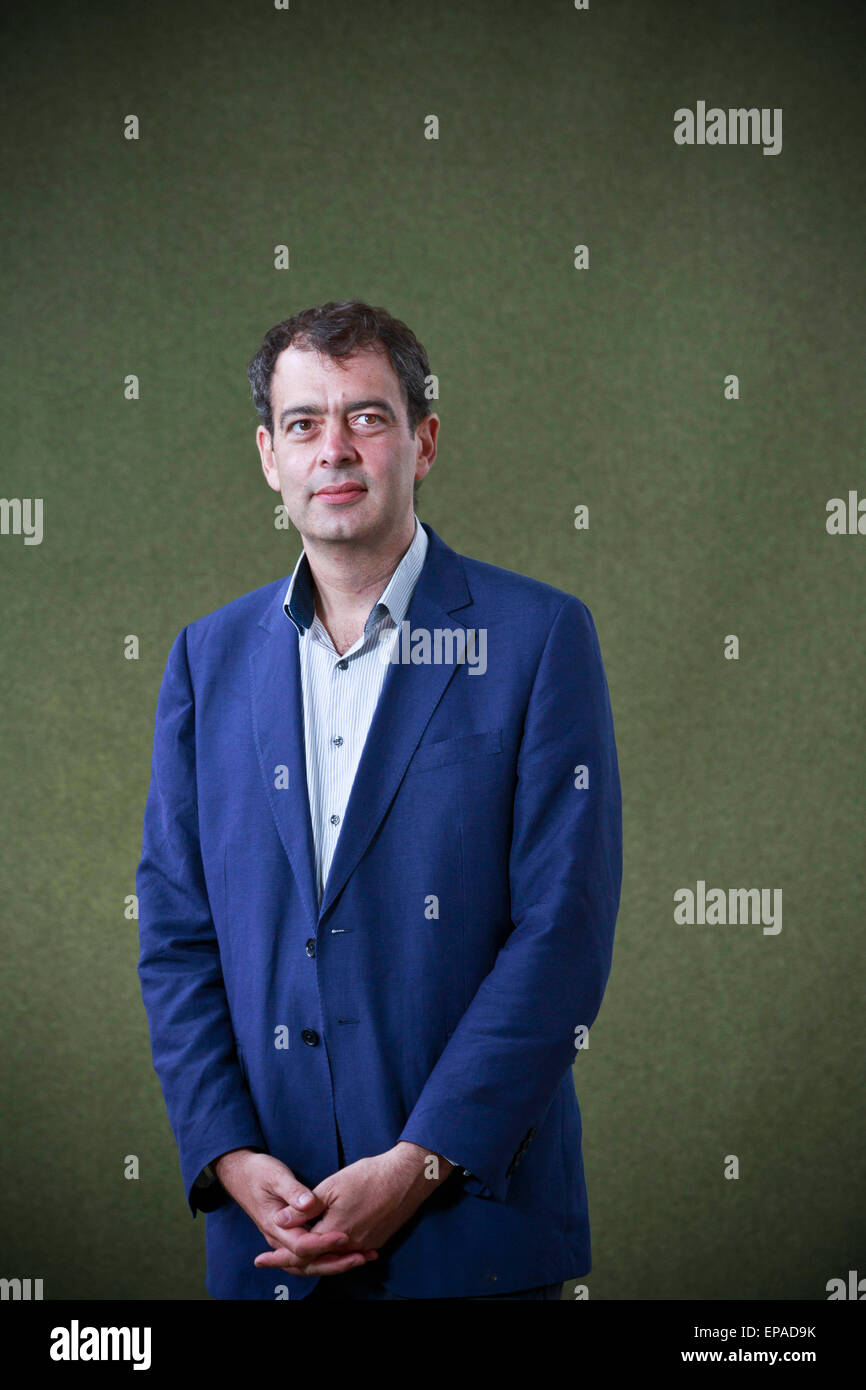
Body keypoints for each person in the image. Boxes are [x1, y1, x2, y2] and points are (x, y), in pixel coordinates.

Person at [136, 299, 623, 1300]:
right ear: (269, 455)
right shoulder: (205, 661)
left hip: (473, 1234)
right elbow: (177, 935)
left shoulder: (537, 640)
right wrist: (227, 1153)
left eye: (366, 415)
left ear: (423, 439)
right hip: (267, 1238)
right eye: (305, 422)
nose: (335, 448)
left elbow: (562, 934)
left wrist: (421, 1163)